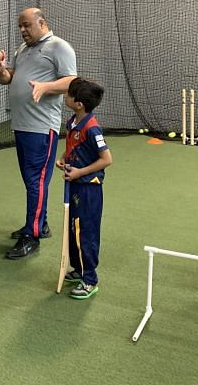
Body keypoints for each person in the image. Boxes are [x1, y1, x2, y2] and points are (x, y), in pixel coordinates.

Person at [0, 8, 77, 259]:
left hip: (42, 128)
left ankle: (33, 235)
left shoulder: (60, 47)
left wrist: (47, 86)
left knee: (35, 181)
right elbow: (11, 79)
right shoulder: (23, 49)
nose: (22, 30)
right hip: (22, 125)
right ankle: (41, 224)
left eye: (27, 25)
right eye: (20, 26)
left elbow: (72, 81)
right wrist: (1, 71)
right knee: (32, 181)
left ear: (42, 23)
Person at [55, 78, 113, 300]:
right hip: (74, 186)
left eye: (69, 94)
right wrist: (63, 158)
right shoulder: (72, 122)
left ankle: (90, 280)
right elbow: (72, 147)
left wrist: (80, 172)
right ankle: (78, 270)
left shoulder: (92, 128)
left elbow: (107, 159)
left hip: (89, 189)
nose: (65, 96)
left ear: (79, 103)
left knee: (86, 233)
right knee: (73, 230)